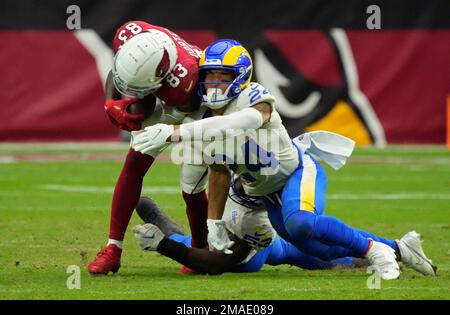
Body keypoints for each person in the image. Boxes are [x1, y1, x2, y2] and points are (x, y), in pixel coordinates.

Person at [132, 39, 437, 280]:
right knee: (313, 247)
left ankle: (375, 250)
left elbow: (240, 124)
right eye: (208, 75)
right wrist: (213, 222)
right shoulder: (206, 125)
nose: (213, 83)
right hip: (260, 195)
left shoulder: (252, 96)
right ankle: (400, 248)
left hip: (297, 172)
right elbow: (219, 174)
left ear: (239, 77)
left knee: (301, 222)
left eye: (221, 76)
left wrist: (175, 132)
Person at [88, 21, 210, 275]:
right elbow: (118, 70)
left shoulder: (183, 78)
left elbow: (181, 114)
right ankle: (113, 249)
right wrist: (111, 102)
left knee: (191, 183)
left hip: (199, 111)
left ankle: (200, 251)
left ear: (159, 76)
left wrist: (157, 127)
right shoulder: (131, 35)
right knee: (134, 164)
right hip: (164, 93)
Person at [132, 193, 366, 275]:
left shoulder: (249, 234)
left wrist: (164, 246)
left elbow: (214, 264)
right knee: (316, 254)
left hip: (252, 251)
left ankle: (383, 251)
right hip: (260, 237)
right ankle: (380, 252)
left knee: (321, 253)